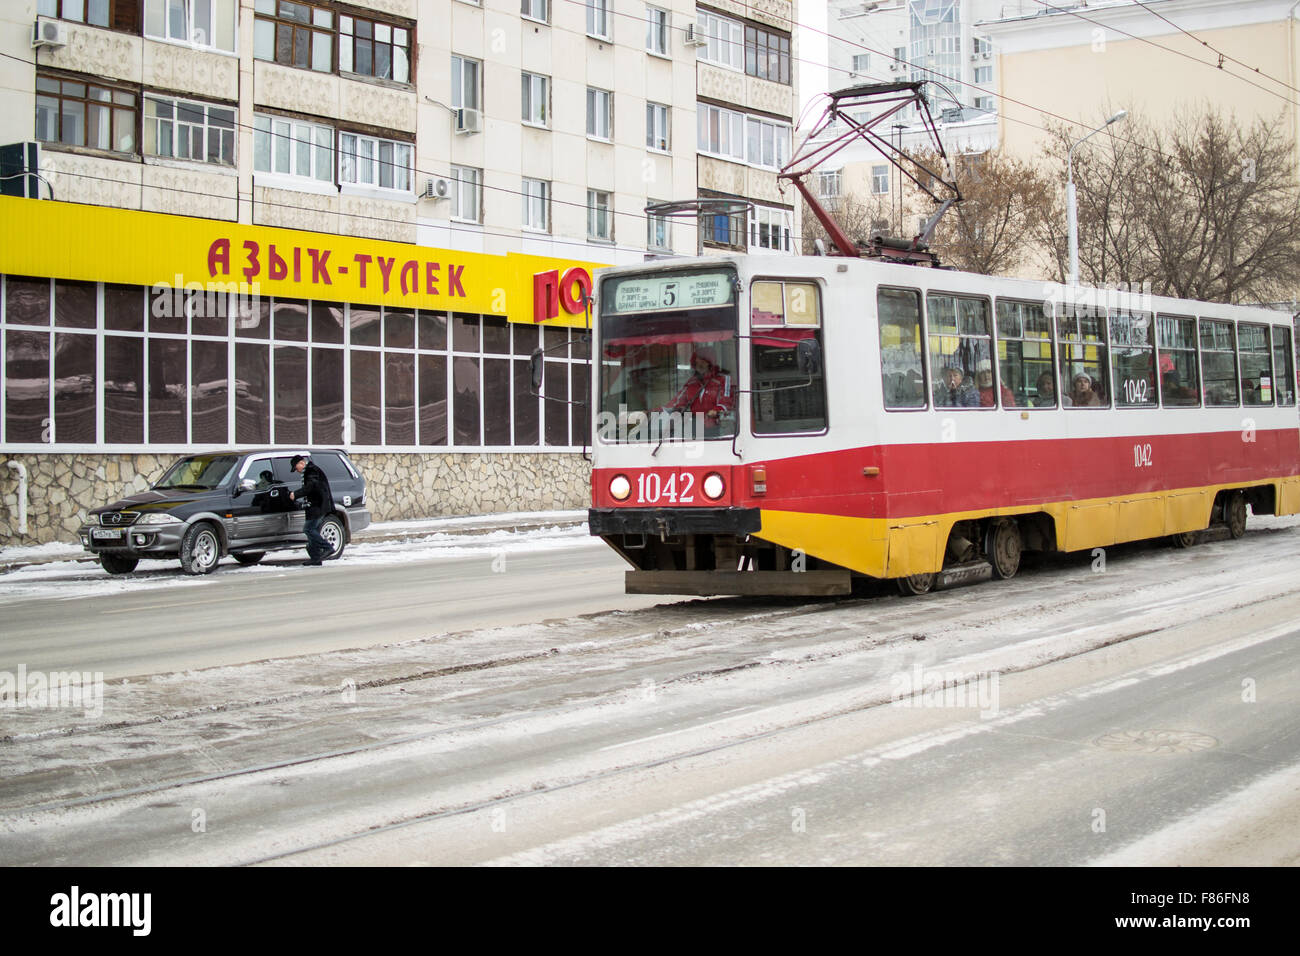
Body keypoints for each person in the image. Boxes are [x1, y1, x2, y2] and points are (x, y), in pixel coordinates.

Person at [664, 347, 734, 421]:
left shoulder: (723, 379)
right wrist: (667, 410)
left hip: (718, 426)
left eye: (703, 362)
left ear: (710, 363)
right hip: (696, 425)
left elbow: (726, 402)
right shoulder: (692, 382)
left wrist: (716, 410)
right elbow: (679, 401)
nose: (699, 366)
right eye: (697, 363)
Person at [289, 454, 335, 566]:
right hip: (312, 506)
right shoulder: (308, 471)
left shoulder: (311, 470)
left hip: (318, 506)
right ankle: (316, 559)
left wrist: (296, 494)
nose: (297, 471)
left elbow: (311, 487)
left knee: (308, 529)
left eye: (296, 468)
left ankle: (327, 548)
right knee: (311, 531)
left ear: (302, 463)